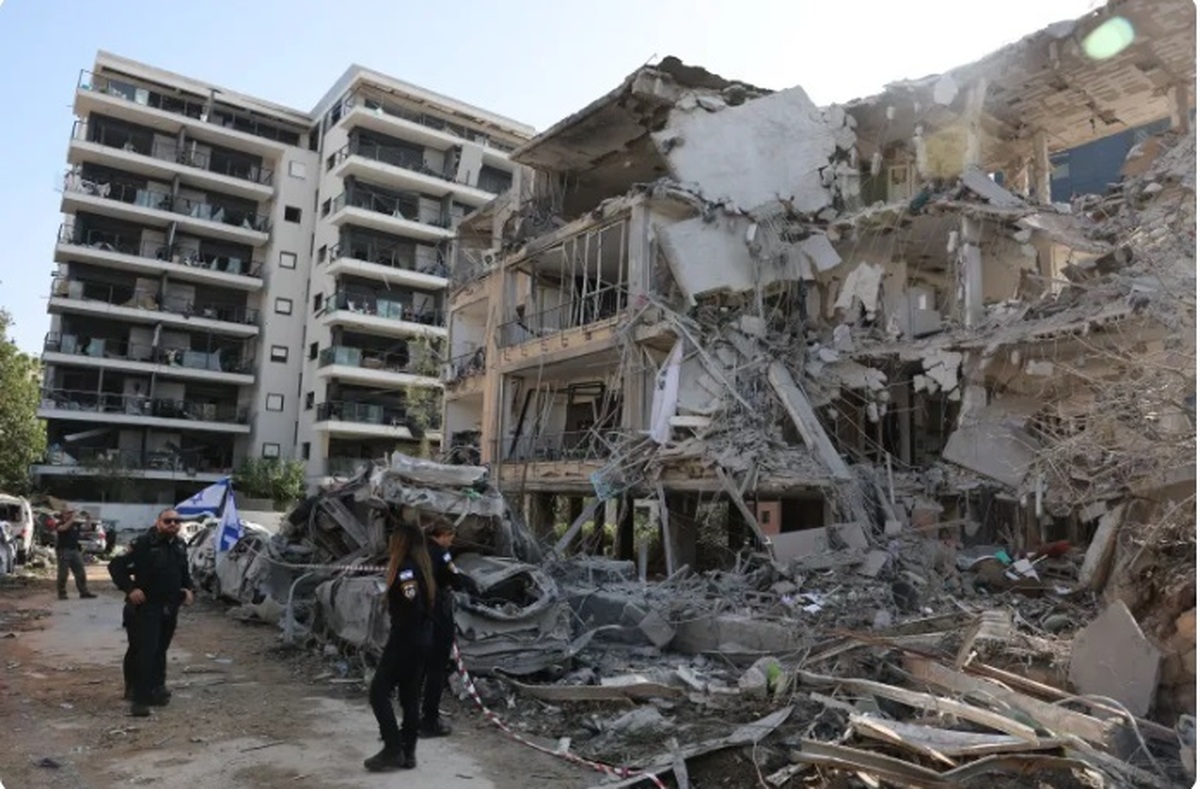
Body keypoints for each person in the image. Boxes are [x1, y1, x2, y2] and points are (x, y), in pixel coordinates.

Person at [108, 509, 194, 717]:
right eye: (168, 521)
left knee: (160, 650)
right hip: (145, 607)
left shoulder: (180, 545)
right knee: (145, 651)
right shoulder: (143, 543)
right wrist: (130, 589)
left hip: (169, 606)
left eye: (176, 521)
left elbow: (183, 572)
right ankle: (140, 698)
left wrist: (189, 590)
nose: (172, 524)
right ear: (158, 522)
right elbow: (116, 566)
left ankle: (157, 688)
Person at [365, 520, 435, 772]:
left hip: (405, 639)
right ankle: (408, 751)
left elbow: (411, 606)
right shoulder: (422, 568)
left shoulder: (405, 569)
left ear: (400, 542)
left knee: (378, 692)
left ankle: (393, 748)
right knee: (409, 696)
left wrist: (402, 638)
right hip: (423, 639)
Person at [420, 517, 474, 738]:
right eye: (450, 537)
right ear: (442, 535)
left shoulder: (416, 550)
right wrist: (471, 585)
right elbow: (454, 578)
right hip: (437, 616)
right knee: (435, 670)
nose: (451, 542)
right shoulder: (441, 553)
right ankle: (429, 722)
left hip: (417, 617)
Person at [56, 510, 97, 600]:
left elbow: (88, 528)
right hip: (63, 550)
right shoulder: (60, 523)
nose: (71, 515)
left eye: (71, 513)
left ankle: (84, 592)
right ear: (63, 515)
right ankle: (62, 593)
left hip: (75, 550)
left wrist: (88, 519)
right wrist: (72, 519)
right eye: (68, 513)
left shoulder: (75, 524)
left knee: (80, 572)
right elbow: (62, 528)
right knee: (63, 573)